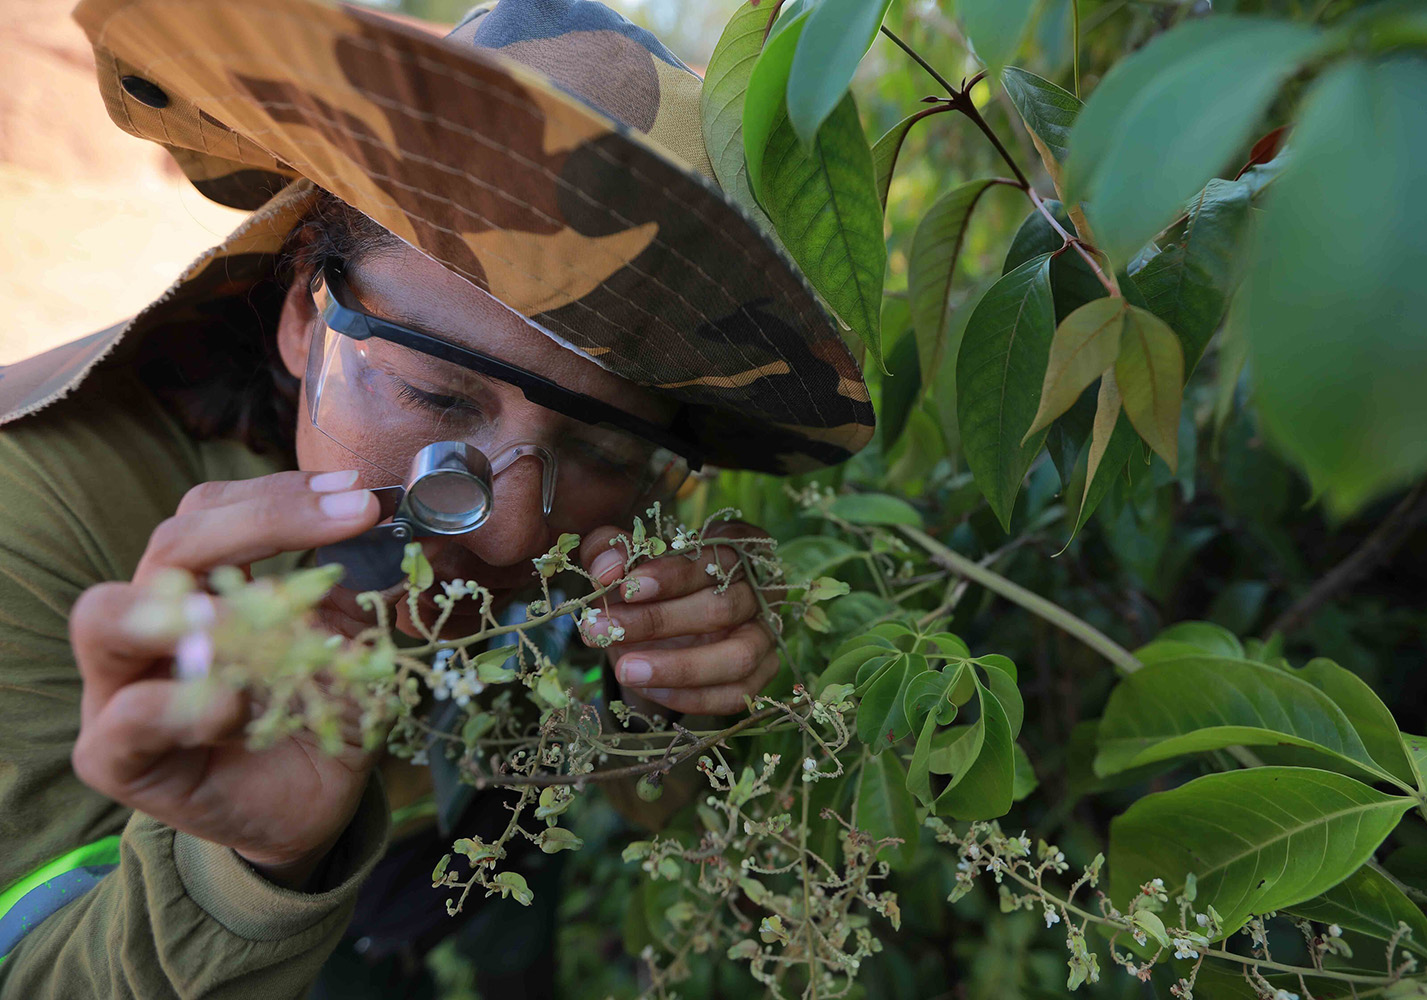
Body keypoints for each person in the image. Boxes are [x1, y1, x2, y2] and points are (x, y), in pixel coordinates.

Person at [0, 0, 874, 996]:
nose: (509, 528)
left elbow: (662, 802)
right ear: (302, 314)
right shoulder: (39, 512)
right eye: (437, 395)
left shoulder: (621, 527)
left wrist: (683, 694)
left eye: (596, 445)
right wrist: (245, 866)